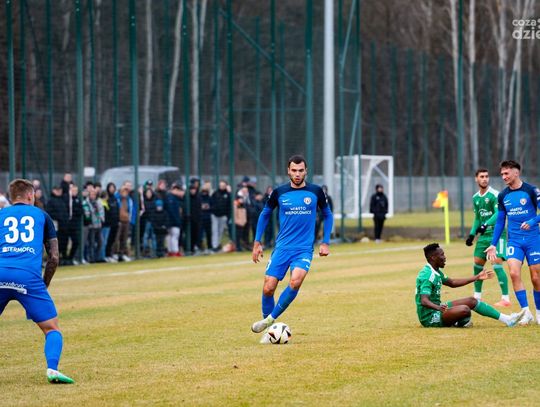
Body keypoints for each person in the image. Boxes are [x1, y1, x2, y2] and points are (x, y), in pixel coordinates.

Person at [251, 155, 334, 342]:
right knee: (268, 288)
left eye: (301, 171)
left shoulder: (315, 191)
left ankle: (269, 320)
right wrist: (257, 242)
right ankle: (270, 331)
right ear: (288, 171)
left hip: (303, 249)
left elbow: (327, 214)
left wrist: (325, 242)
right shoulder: (279, 192)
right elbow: (265, 214)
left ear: (306, 171)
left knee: (295, 281)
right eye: (294, 170)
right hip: (282, 248)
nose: (297, 174)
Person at [0, 179, 74, 383]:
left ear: (11, 196)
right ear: (30, 195)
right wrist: (44, 284)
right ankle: (52, 370)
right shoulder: (41, 215)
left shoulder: (1, 214)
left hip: (1, 272)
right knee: (51, 328)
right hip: (28, 277)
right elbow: (54, 257)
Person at [415, 243, 524, 328]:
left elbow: (452, 282)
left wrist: (477, 277)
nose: (445, 257)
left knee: (472, 301)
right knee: (465, 310)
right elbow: (424, 301)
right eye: (442, 255)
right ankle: (457, 322)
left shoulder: (435, 271)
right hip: (429, 317)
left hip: (438, 309)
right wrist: (438, 308)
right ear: (433, 257)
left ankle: (507, 319)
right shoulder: (428, 276)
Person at [485, 160, 540, 325]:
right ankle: (526, 312)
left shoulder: (531, 190)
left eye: (506, 173)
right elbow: (500, 221)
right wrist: (493, 244)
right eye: (502, 174)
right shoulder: (503, 195)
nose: (503, 177)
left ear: (516, 172)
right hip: (514, 241)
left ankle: (539, 312)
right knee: (514, 273)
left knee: (536, 278)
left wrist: (533, 221)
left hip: (533, 239)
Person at [465, 168, 510, 307]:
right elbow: (477, 218)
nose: (485, 179)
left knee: (496, 263)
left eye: (486, 176)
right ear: (476, 179)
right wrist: (472, 234)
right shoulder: (475, 198)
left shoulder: (495, 194)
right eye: (482, 177)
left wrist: (486, 224)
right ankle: (477, 297)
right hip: (484, 236)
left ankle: (505, 299)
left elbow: (498, 214)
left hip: (497, 234)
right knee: (477, 263)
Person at [210, 181, 231, 251]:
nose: (222, 186)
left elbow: (229, 204)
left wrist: (229, 192)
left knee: (220, 231)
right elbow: (211, 202)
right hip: (215, 215)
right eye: (221, 185)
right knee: (215, 230)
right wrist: (213, 209)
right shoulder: (215, 193)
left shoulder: (227, 194)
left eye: (223, 185)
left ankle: (218, 244)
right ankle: (214, 246)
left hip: (223, 215)